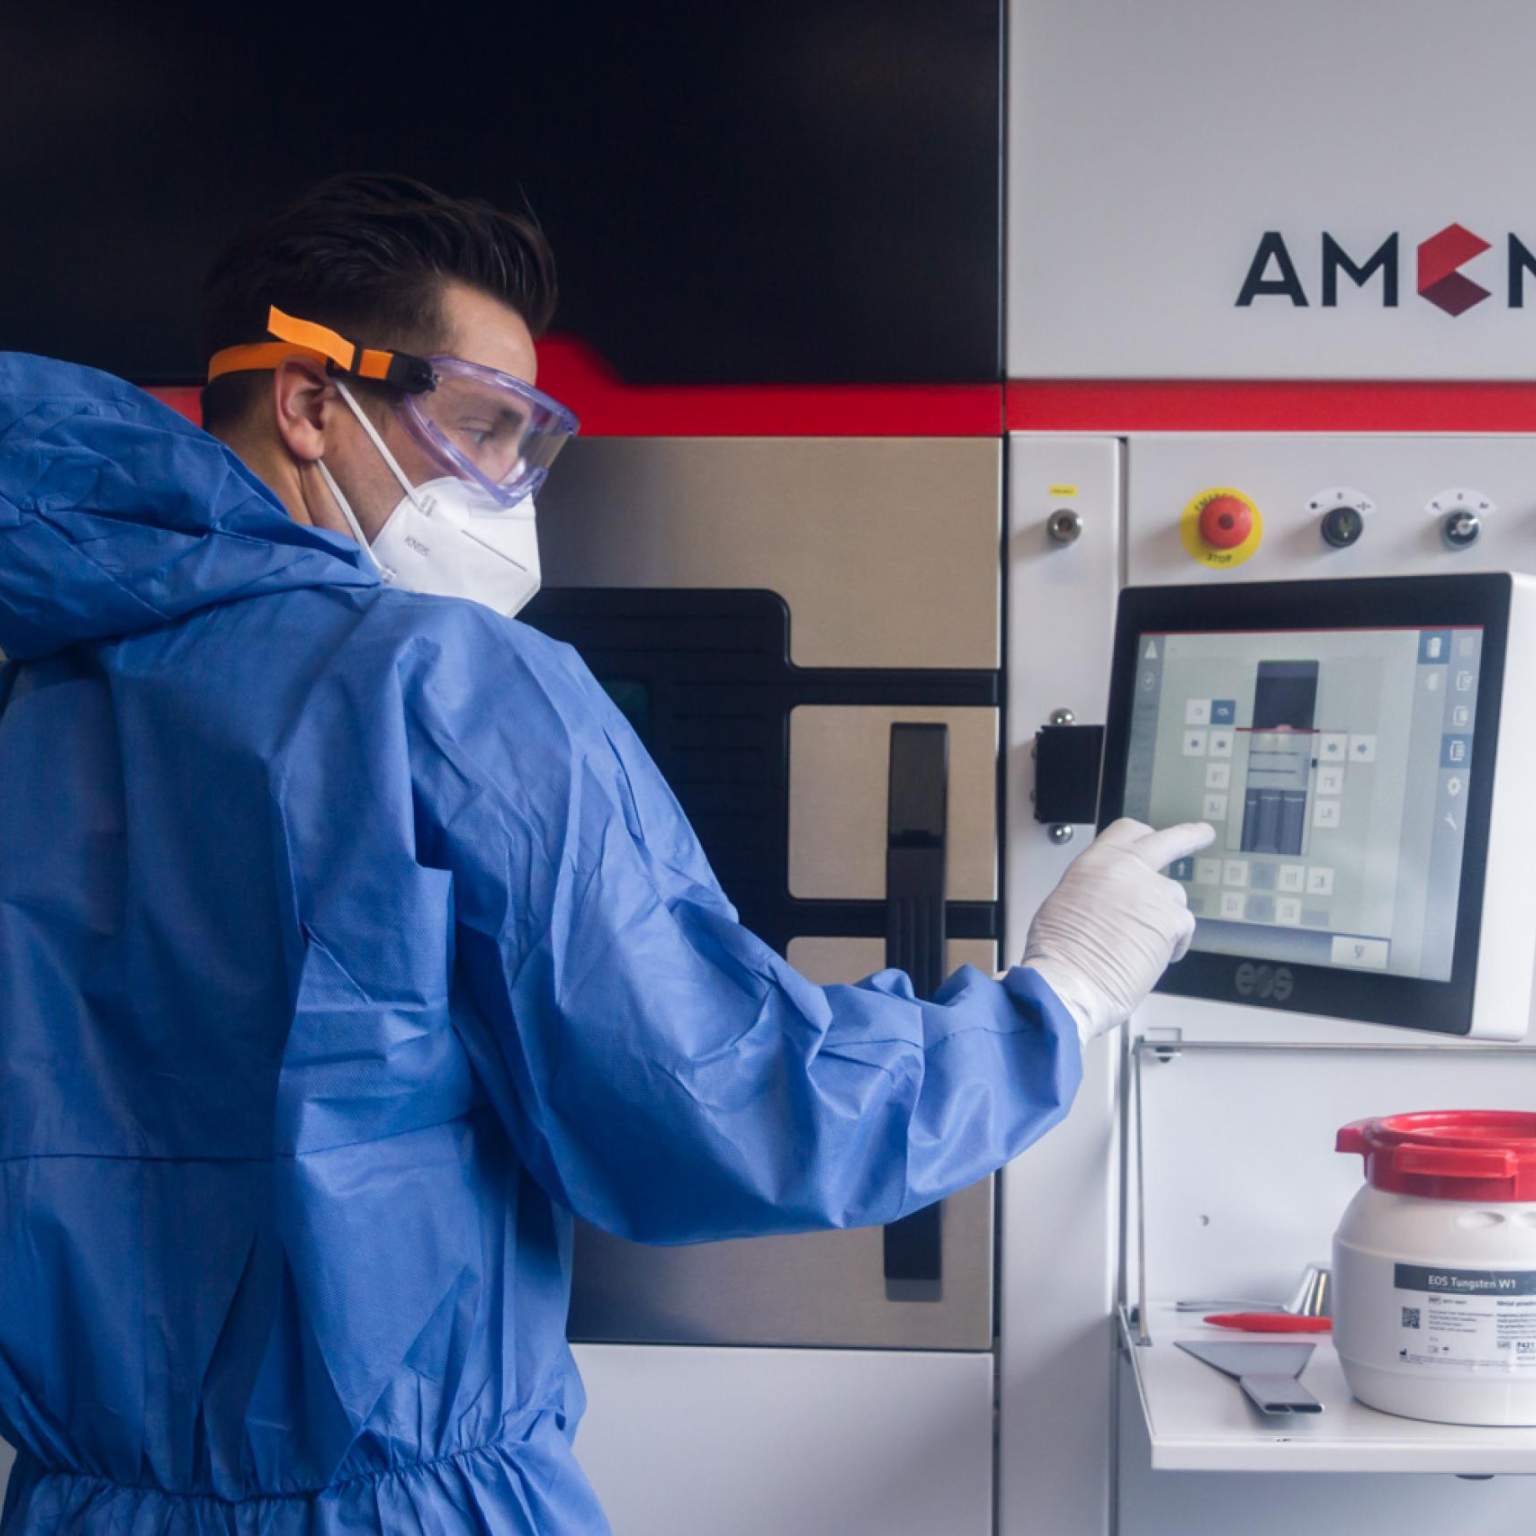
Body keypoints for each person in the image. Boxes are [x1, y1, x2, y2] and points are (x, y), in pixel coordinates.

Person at [0, 173, 1213, 1536]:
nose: (509, 488)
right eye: (479, 427)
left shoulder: (38, 685)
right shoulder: (447, 683)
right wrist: (1059, 998)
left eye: (531, 443)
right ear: (310, 401)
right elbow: (730, 1110)